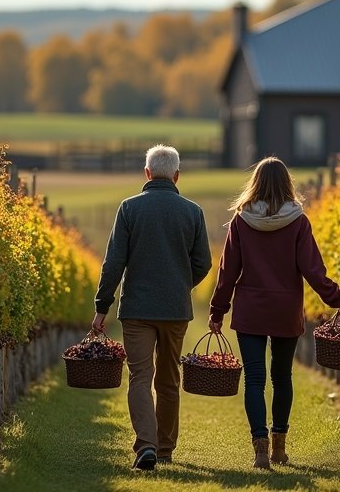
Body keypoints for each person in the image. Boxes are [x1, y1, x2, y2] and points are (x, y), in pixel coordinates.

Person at [208, 156, 340, 469]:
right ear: (287, 184)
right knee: (282, 378)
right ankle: (278, 447)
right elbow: (314, 272)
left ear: (256, 184)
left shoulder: (241, 221)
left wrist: (217, 311)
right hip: (285, 310)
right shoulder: (298, 222)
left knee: (254, 380)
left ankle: (260, 448)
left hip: (250, 311)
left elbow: (228, 273)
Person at [92, 144, 212, 471]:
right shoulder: (193, 211)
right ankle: (165, 448)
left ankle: (145, 445)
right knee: (170, 380)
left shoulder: (129, 209)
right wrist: (179, 284)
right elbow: (203, 262)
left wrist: (102, 306)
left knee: (140, 377)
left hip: (136, 310)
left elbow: (113, 262)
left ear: (146, 173)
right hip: (175, 310)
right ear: (177, 175)